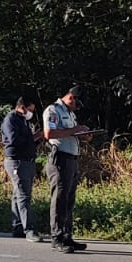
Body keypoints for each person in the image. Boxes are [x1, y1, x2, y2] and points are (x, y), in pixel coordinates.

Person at [43, 85, 94, 253]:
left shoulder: (70, 113)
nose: (77, 108)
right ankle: (56, 237)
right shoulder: (53, 110)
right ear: (71, 98)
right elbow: (49, 133)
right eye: (77, 104)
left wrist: (83, 135)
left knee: (69, 200)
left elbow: (70, 134)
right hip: (60, 160)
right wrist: (75, 130)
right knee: (59, 198)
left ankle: (67, 236)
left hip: (72, 159)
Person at [1, 96, 44, 241]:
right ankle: (29, 230)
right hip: (16, 162)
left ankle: (17, 226)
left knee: (17, 194)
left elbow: (28, 142)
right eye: (29, 109)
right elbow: (14, 140)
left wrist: (37, 139)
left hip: (27, 160)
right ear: (22, 107)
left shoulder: (24, 121)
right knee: (23, 195)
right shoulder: (10, 119)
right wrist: (33, 137)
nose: (30, 113)